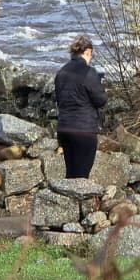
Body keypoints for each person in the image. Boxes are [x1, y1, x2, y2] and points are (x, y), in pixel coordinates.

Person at [53, 34, 107, 178]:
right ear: (88, 51)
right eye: (91, 55)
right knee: (82, 177)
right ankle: (77, 200)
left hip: (64, 129)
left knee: (70, 174)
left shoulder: (61, 73)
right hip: (84, 130)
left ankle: (66, 199)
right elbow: (101, 100)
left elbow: (59, 100)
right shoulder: (89, 72)